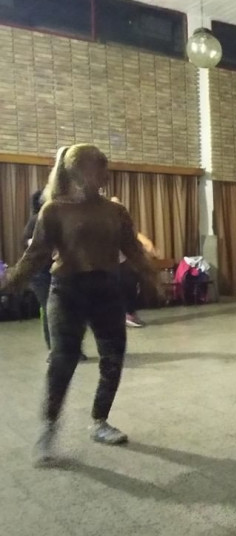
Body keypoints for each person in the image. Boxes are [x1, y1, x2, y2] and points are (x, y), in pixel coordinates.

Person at [0, 144, 156, 464]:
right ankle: (49, 428)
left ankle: (100, 421)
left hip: (106, 290)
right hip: (68, 291)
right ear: (79, 172)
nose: (106, 175)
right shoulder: (54, 210)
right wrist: (10, 282)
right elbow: (35, 255)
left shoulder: (115, 211)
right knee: (63, 359)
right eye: (100, 168)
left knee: (113, 358)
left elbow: (132, 248)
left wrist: (152, 276)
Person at [21, 190, 88, 362]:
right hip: (41, 274)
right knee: (52, 310)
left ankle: (73, 349)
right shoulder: (37, 220)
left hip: (65, 271)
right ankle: (55, 350)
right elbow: (27, 243)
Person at [110, 197, 158, 327]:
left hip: (121, 261)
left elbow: (136, 236)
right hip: (108, 262)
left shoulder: (124, 224)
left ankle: (128, 313)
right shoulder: (104, 223)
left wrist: (147, 244)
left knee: (130, 282)